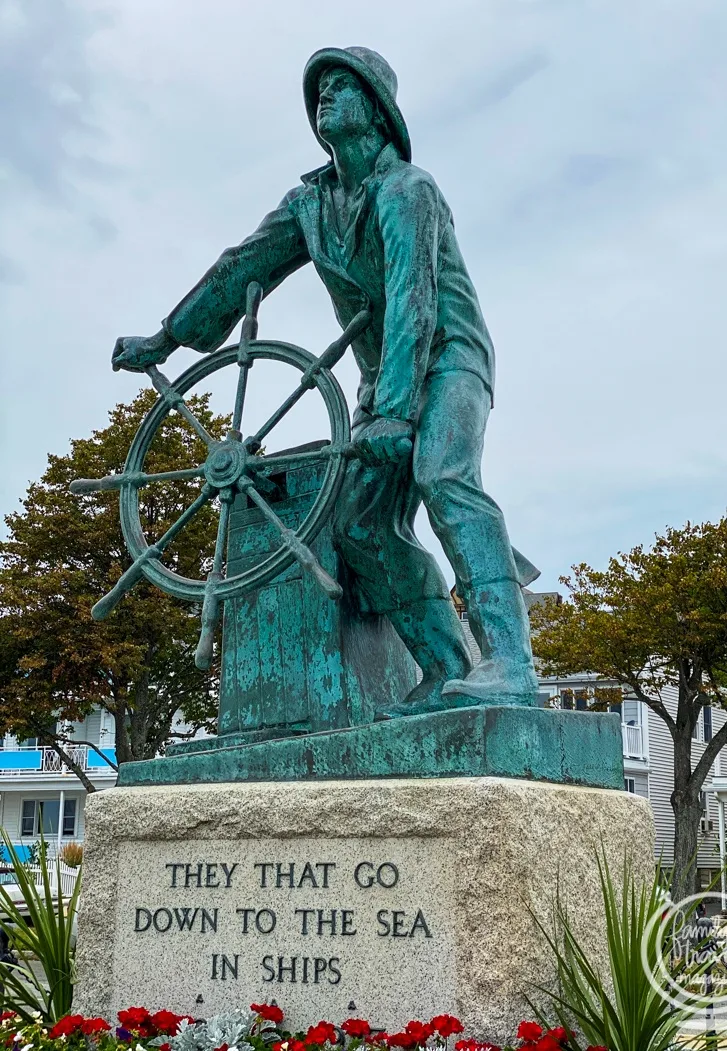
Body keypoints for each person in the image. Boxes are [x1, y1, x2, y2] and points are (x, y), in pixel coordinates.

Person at [112, 46, 540, 714]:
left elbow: (414, 301)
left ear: (377, 110)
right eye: (319, 92)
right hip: (384, 383)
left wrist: (397, 414)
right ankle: (448, 669)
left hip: (449, 358)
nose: (324, 99)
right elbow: (239, 267)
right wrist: (165, 338)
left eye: (341, 87)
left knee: (443, 475)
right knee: (359, 526)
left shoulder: (409, 191)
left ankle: (512, 665)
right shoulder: (309, 207)